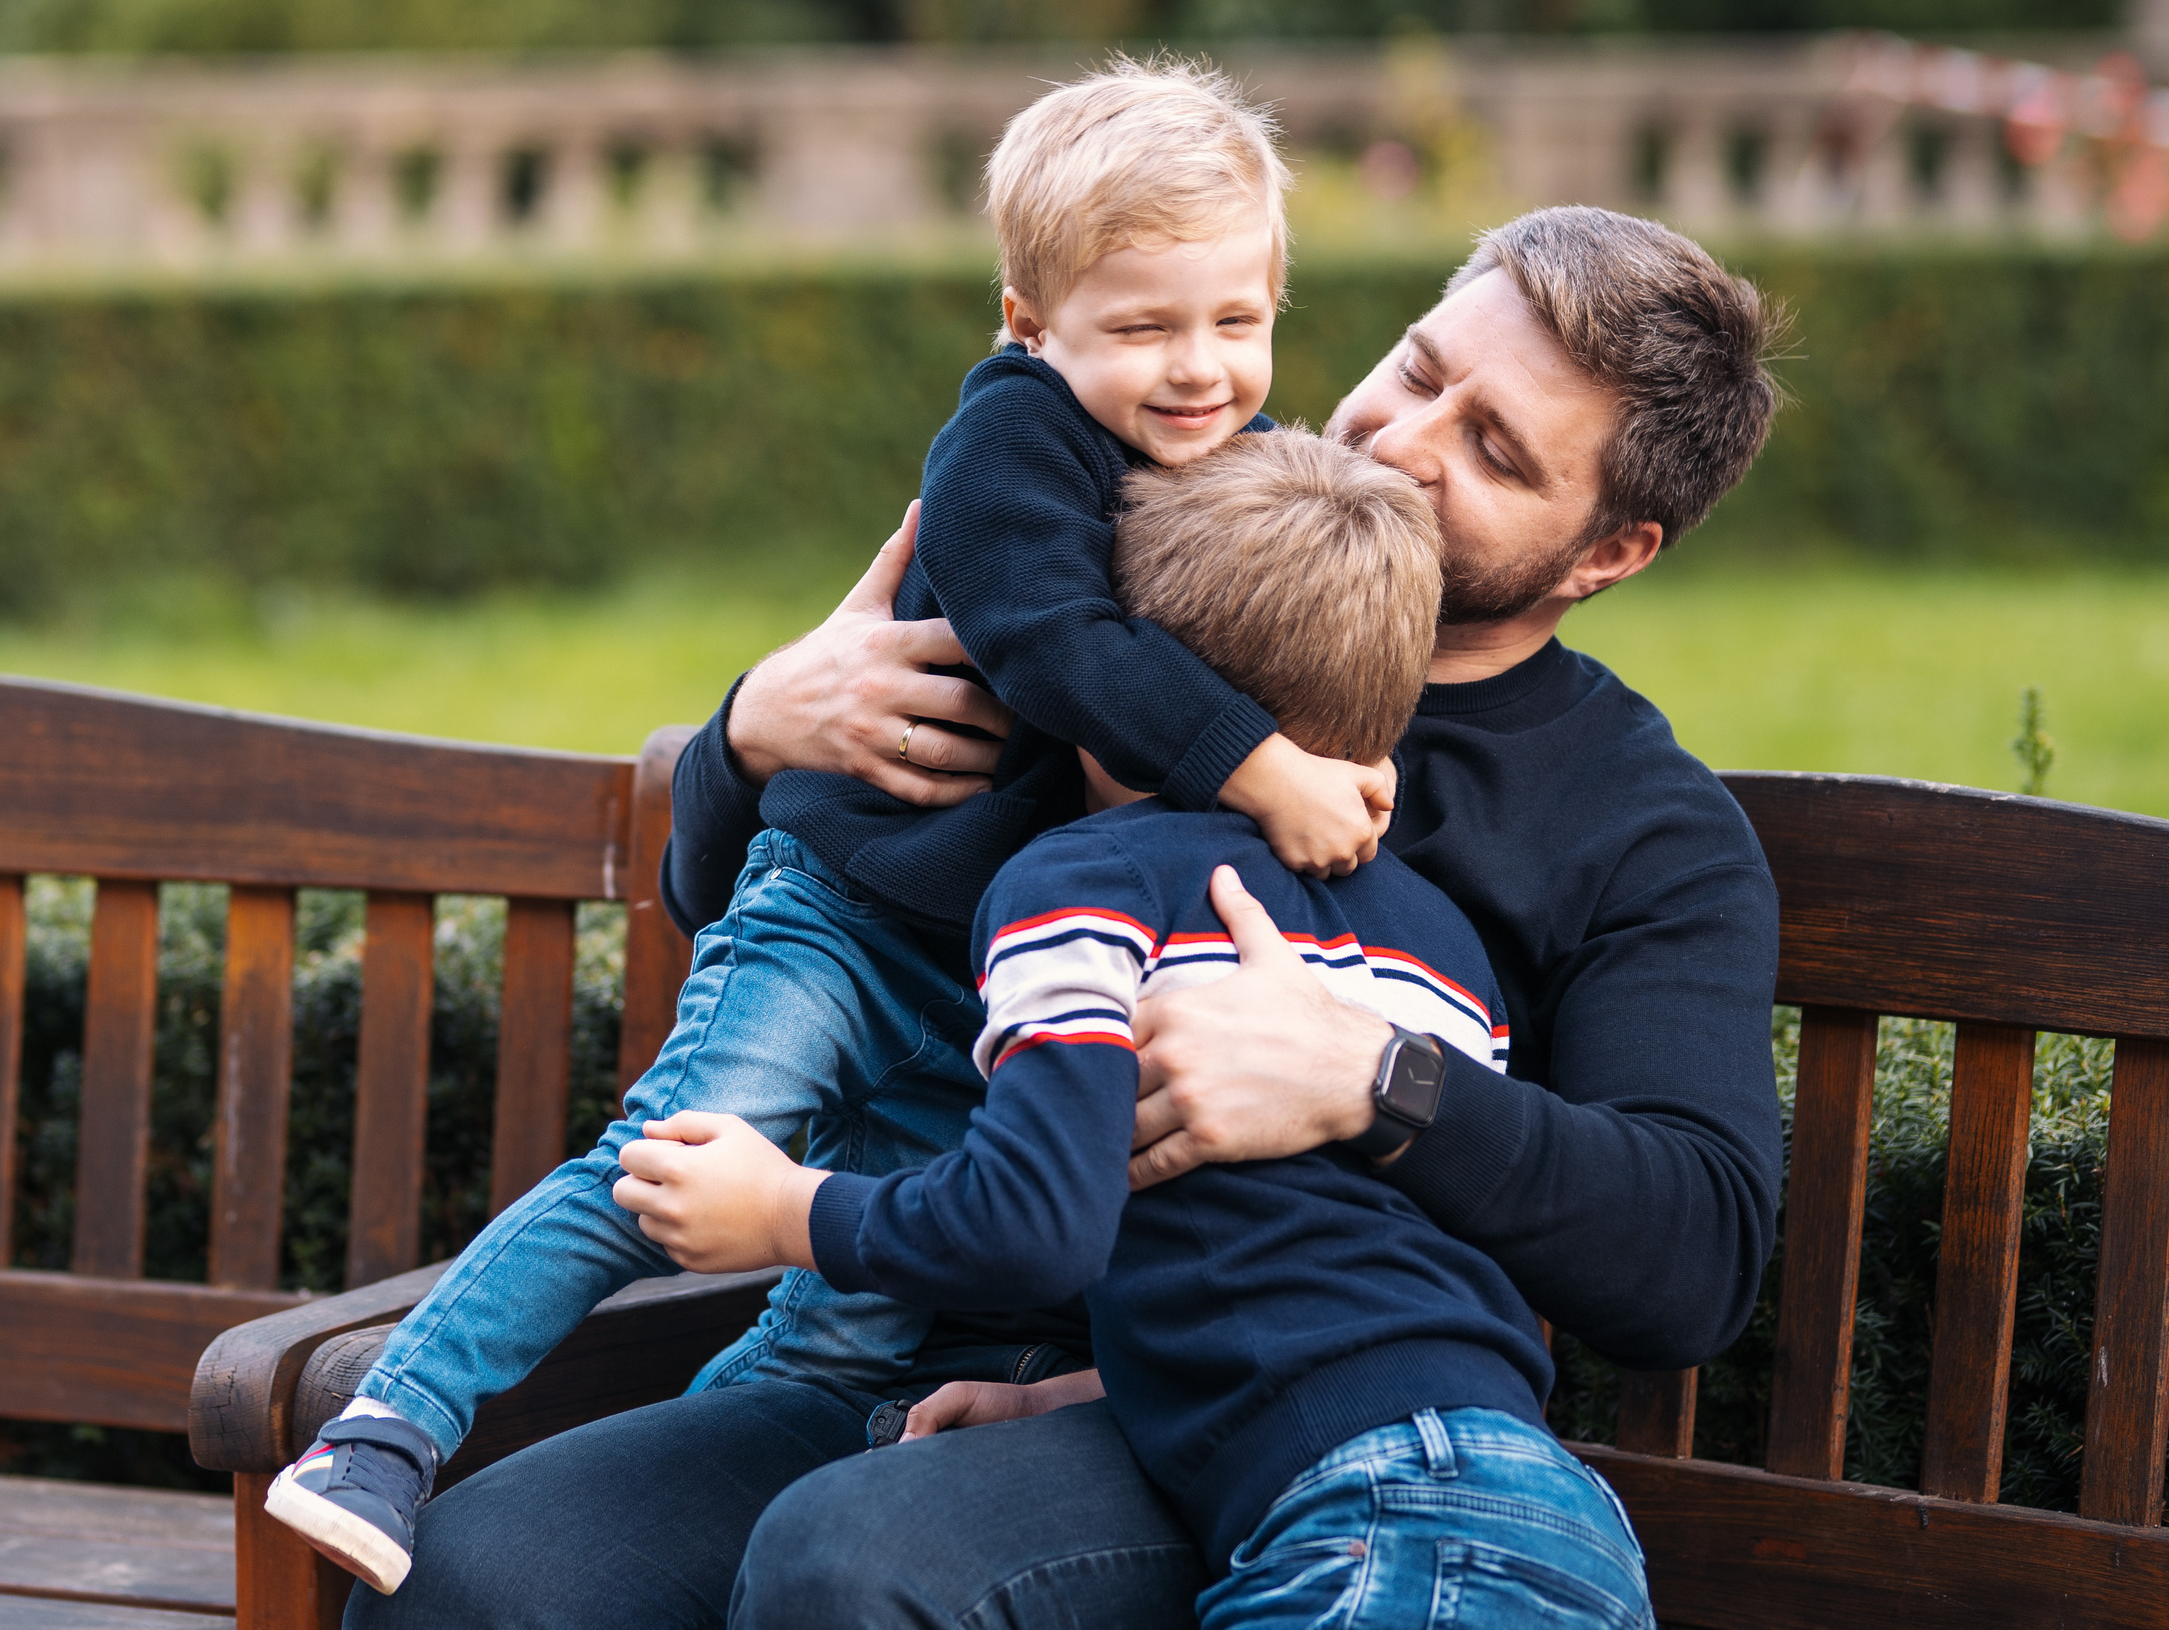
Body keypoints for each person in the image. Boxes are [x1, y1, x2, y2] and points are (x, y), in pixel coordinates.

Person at [364, 204, 1786, 1630]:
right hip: (883, 1314)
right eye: (1420, 370)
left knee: (856, 1558)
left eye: (1494, 450)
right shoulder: (1159, 551)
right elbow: (758, 916)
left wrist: (1369, 1077)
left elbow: (1694, 1257)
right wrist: (754, 735)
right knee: (472, 1584)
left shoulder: (1634, 822)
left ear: (1607, 550)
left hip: (1240, 1399)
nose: (1403, 441)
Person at [280, 57, 1384, 1597]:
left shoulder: (1221, 463)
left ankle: (689, 1532)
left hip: (975, 973)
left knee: (848, 1319)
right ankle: (392, 1421)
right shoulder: (1011, 442)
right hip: (843, 913)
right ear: (1026, 321)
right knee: (668, 1157)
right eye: (1141, 325)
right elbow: (1056, 648)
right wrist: (1270, 766)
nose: (1198, 366)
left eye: (1236, 320)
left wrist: (1346, 747)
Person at [614, 425, 1652, 1628]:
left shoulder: (1080, 890)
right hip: (1530, 1499)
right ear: (1376, 736)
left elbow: (1034, 1226)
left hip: (1360, 1524)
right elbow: (1329, 1258)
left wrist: (784, 1211)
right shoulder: (1435, 935)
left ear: (1101, 709)